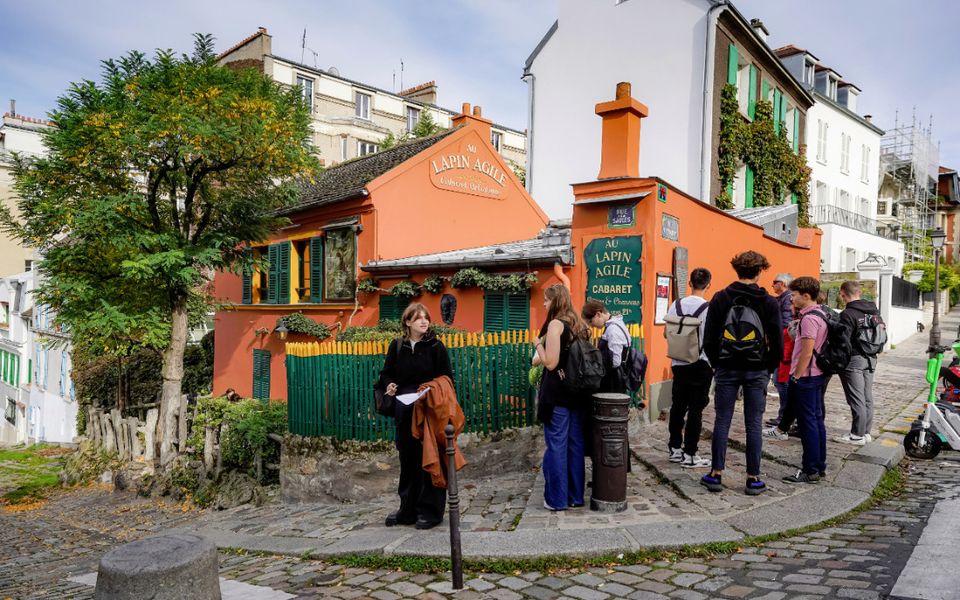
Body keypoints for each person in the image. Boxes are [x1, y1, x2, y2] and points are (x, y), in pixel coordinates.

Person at [702, 251, 783, 495]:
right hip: (757, 369)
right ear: (760, 272)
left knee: (722, 420)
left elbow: (709, 338)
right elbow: (777, 342)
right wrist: (767, 368)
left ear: (736, 270)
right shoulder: (768, 302)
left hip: (726, 367)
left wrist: (718, 364)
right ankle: (753, 478)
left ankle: (716, 474)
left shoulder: (720, 298)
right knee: (753, 424)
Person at [376, 303, 453, 529]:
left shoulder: (436, 347)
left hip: (428, 412)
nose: (424, 322)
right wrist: (389, 384)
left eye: (426, 318)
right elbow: (386, 373)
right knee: (407, 461)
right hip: (404, 411)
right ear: (407, 322)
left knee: (429, 459)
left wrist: (428, 390)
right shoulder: (397, 346)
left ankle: (430, 512)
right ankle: (407, 510)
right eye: (418, 318)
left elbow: (447, 379)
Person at [534, 283, 590, 511]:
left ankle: (557, 500)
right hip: (577, 392)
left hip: (557, 392)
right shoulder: (579, 324)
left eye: (546, 300)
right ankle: (576, 496)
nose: (544, 304)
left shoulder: (556, 324)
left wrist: (538, 344)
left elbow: (551, 362)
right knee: (575, 444)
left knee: (556, 444)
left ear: (555, 301)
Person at [665, 268, 713, 468]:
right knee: (696, 409)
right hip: (701, 363)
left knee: (677, 406)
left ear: (690, 283)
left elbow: (667, 334)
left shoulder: (675, 305)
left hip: (678, 362)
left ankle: (675, 448)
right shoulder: (709, 308)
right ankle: (690, 454)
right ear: (709, 284)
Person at [783, 277, 829, 484]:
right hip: (817, 375)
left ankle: (810, 468)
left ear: (806, 296)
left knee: (807, 423)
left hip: (807, 377)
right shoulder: (822, 313)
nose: (791, 298)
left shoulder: (809, 319)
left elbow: (807, 351)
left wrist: (796, 376)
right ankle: (819, 465)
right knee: (816, 421)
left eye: (794, 295)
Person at [837, 281, 880, 445]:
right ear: (859, 292)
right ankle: (866, 432)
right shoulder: (874, 311)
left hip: (854, 359)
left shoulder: (848, 314)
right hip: (871, 358)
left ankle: (857, 435)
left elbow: (843, 341)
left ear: (842, 294)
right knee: (867, 396)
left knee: (856, 398)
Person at [762, 304, 798, 441]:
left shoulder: (797, 322)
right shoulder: (794, 321)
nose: (791, 304)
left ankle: (785, 421)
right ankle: (784, 419)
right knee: (782, 386)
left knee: (784, 388)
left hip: (787, 360)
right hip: (785, 358)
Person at [581, 300, 630, 393]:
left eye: (591, 321)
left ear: (598, 314)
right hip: (613, 378)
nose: (591, 326)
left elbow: (615, 362)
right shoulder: (615, 325)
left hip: (613, 381)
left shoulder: (613, 329)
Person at [766, 273, 794, 425]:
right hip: (782, 346)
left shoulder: (787, 299)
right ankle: (785, 416)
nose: (772, 285)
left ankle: (785, 417)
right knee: (780, 381)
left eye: (774, 282)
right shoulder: (784, 299)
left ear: (782, 283)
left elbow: (785, 325)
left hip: (785, 347)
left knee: (781, 382)